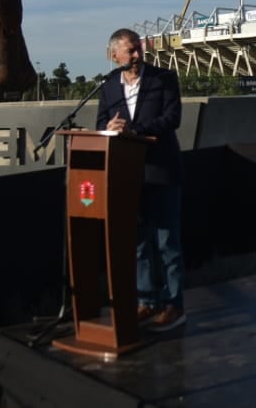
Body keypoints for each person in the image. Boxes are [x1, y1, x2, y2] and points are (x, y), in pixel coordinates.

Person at [98, 28, 187, 331]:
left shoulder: (164, 78)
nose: (137, 55)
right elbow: (100, 123)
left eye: (139, 49)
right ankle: (146, 301)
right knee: (138, 244)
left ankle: (174, 305)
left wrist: (135, 130)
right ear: (114, 55)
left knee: (167, 243)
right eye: (130, 51)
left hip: (161, 170)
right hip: (127, 174)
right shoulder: (109, 85)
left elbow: (172, 118)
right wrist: (109, 126)